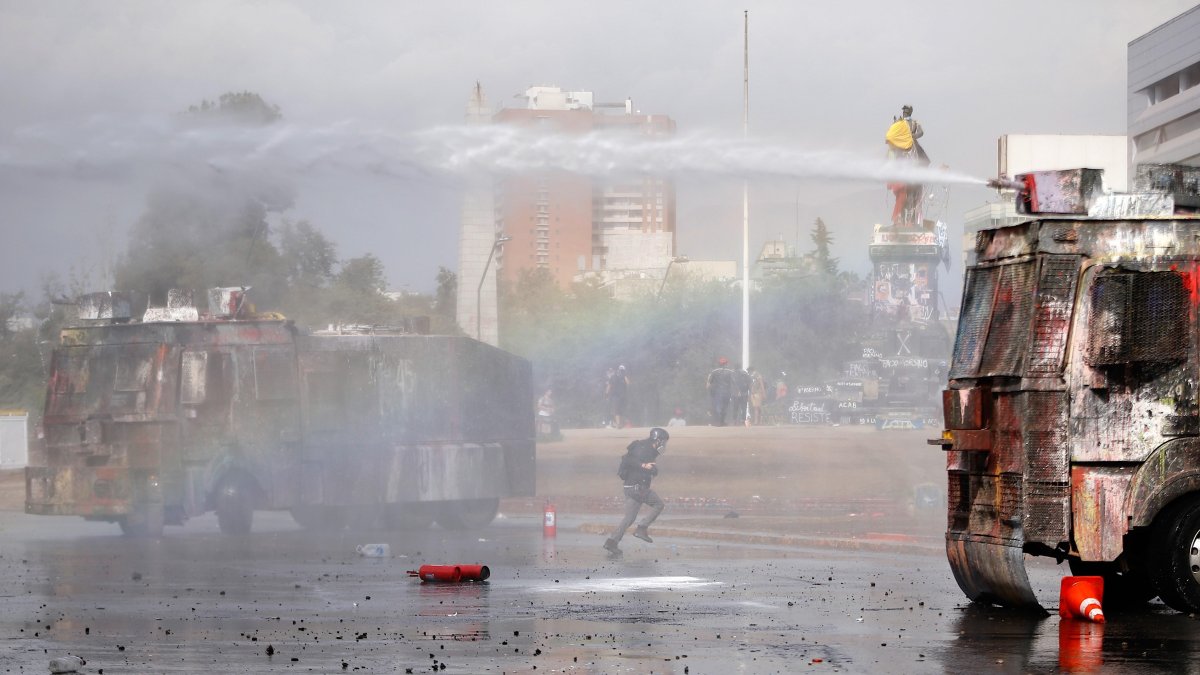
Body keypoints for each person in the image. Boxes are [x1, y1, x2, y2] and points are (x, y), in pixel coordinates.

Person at [604, 427, 669, 556]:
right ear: (657, 439)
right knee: (658, 504)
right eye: (663, 441)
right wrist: (643, 466)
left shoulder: (646, 448)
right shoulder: (645, 448)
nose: (664, 444)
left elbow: (646, 466)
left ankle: (611, 542)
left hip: (630, 488)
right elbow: (627, 460)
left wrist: (652, 470)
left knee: (629, 518)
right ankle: (642, 528)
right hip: (637, 488)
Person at [706, 357, 734, 426]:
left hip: (717, 392)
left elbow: (708, 384)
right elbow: (734, 382)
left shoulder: (714, 371)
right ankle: (722, 421)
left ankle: (718, 421)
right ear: (726, 363)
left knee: (718, 406)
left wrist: (709, 391)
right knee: (725, 406)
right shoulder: (730, 372)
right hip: (727, 392)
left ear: (719, 364)